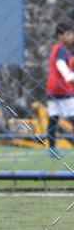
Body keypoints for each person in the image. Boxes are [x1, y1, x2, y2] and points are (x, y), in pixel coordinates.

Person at [45, 22, 74, 154]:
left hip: (52, 89)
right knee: (71, 115)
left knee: (53, 118)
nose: (72, 36)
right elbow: (60, 64)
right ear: (60, 35)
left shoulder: (56, 49)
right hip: (63, 89)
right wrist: (69, 77)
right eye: (68, 34)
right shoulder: (62, 50)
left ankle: (52, 149)